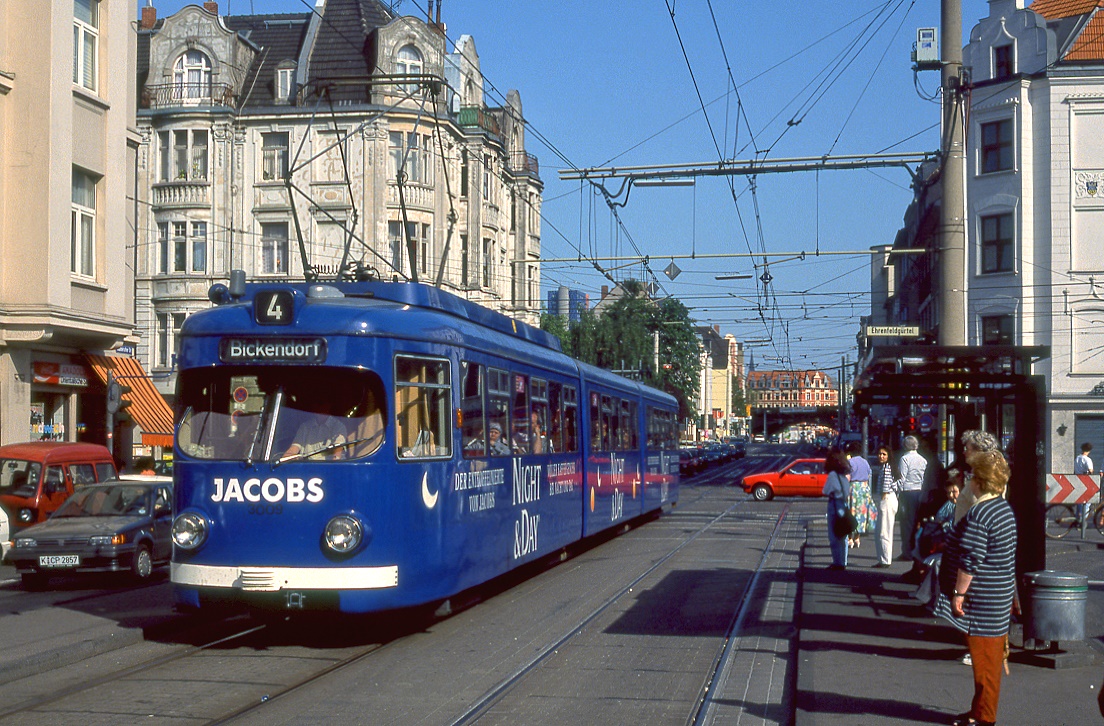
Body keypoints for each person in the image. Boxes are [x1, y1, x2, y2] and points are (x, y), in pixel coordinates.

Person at [934, 450, 1017, 726]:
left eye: (971, 476)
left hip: (984, 600)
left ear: (979, 481)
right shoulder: (1003, 509)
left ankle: (985, 719)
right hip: (998, 595)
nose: (968, 481)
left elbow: (971, 559)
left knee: (985, 666)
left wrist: (959, 594)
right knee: (989, 662)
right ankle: (978, 711)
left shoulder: (981, 513)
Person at [895, 435, 928, 574]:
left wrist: (897, 492)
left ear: (905, 446)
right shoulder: (923, 459)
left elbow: (901, 478)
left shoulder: (904, 459)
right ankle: (915, 551)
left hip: (907, 492)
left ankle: (907, 552)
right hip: (919, 491)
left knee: (906, 523)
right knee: (916, 523)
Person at [953, 430, 1001, 524]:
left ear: (979, 452)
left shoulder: (984, 478)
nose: (964, 452)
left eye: (967, 449)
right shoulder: (982, 474)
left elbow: (980, 511)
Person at [822, 449, 852, 570]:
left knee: (833, 534)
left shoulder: (832, 475)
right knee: (843, 534)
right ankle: (843, 561)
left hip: (834, 504)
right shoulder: (844, 475)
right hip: (843, 504)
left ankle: (837, 562)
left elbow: (825, 491)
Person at [871, 445, 899, 568]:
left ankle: (885, 560)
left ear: (888, 456)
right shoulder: (888, 467)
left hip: (886, 499)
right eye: (880, 454)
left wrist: (880, 502)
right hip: (890, 499)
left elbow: (885, 488)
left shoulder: (887, 468)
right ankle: (883, 558)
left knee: (884, 531)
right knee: (882, 530)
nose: (881, 456)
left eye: (884, 454)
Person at [846, 442, 875, 549]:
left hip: (853, 488)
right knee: (861, 513)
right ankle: (857, 538)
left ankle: (850, 538)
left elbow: (846, 477)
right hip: (864, 488)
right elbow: (869, 474)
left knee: (851, 512)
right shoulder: (865, 462)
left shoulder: (850, 462)